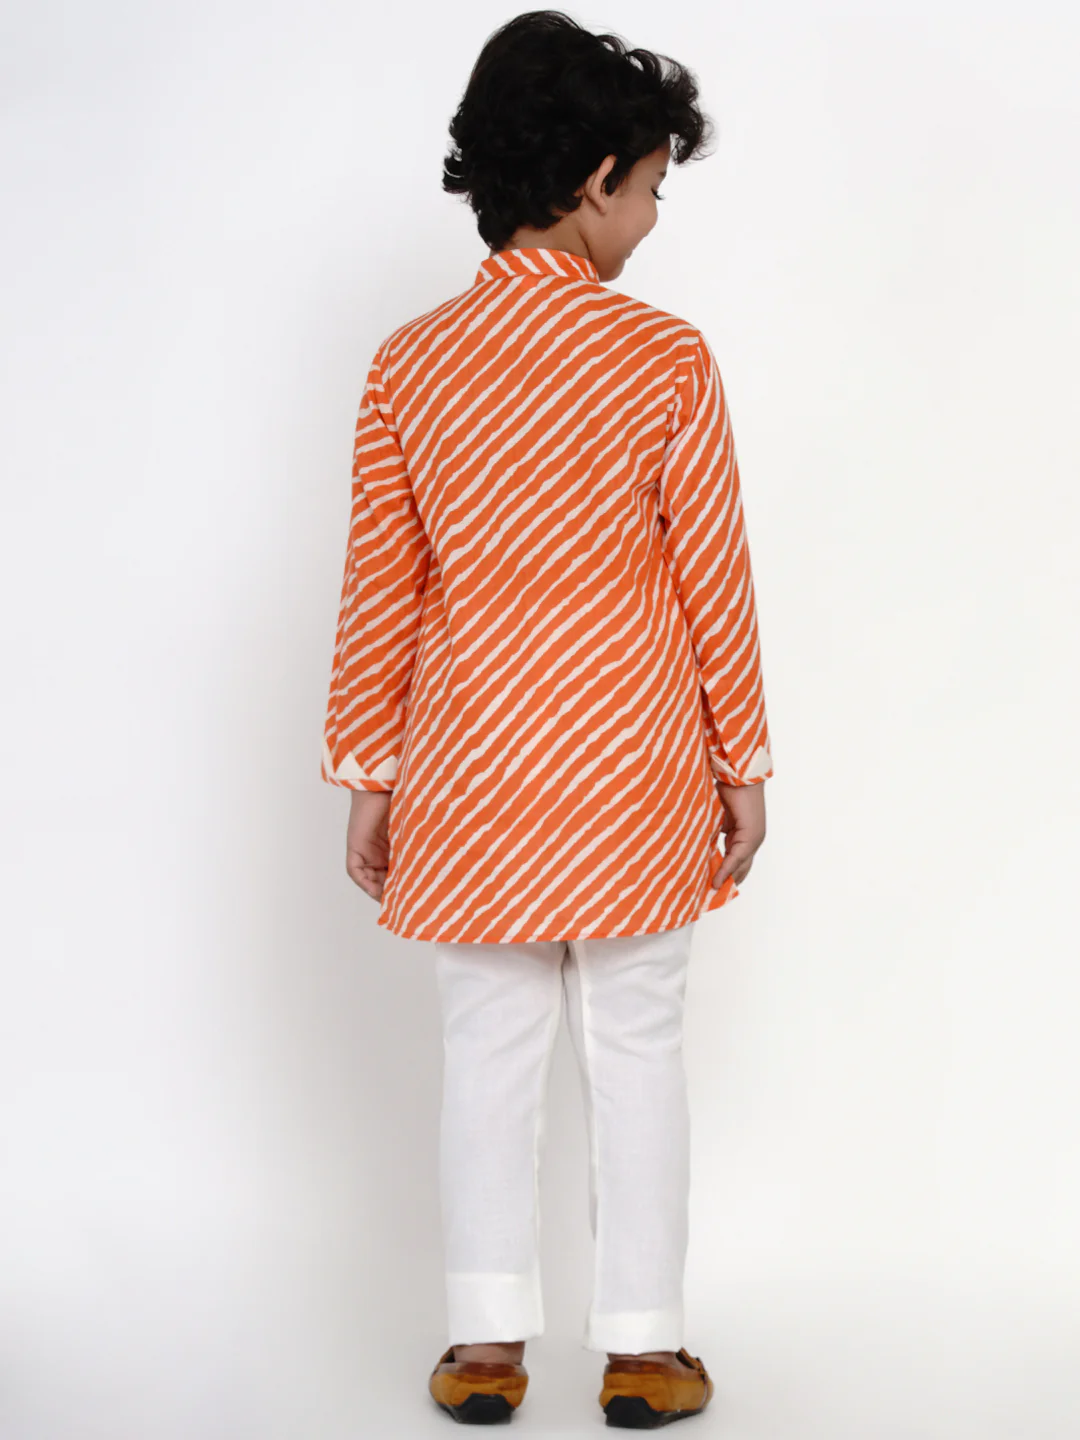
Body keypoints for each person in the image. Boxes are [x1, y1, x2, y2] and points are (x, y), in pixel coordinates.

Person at [319, 9, 774, 1426]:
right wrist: (744, 760)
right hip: (634, 765)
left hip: (471, 774)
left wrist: (370, 774)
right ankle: (644, 1345)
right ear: (593, 180)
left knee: (486, 1051)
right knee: (638, 1045)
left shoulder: (409, 363)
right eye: (651, 186)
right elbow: (712, 577)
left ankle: (483, 1346)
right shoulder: (664, 358)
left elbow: (382, 590)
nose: (652, 216)